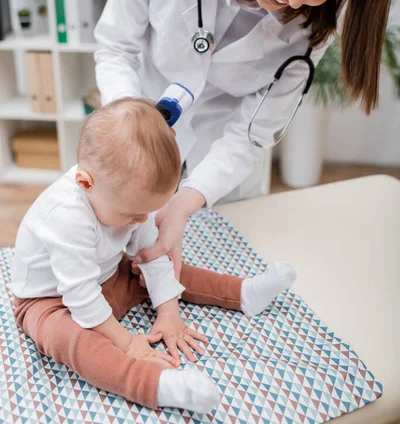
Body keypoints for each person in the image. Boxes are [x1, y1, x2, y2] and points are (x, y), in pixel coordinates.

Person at [93, 0, 400, 279]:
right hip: (135, 131)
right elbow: (115, 47)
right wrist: (132, 125)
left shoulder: (316, 25)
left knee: (212, 279)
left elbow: (251, 133)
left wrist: (186, 201)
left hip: (223, 172)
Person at [10, 98, 296, 414]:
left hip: (105, 277)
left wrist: (169, 313)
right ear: (85, 183)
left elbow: (152, 256)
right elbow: (81, 297)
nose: (142, 221)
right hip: (48, 301)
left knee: (164, 265)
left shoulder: (129, 204)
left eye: (148, 211)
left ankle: (242, 293)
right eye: (133, 213)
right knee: (70, 340)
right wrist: (127, 342)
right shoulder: (66, 216)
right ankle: (155, 384)